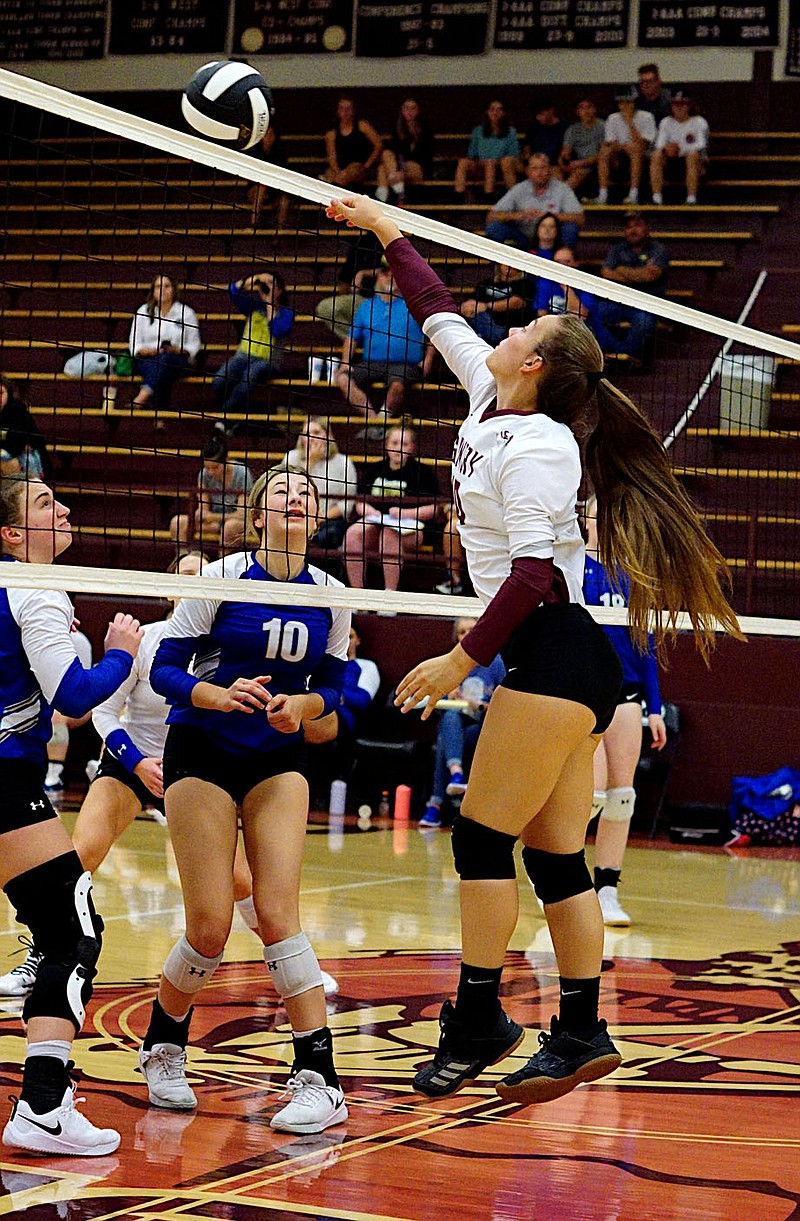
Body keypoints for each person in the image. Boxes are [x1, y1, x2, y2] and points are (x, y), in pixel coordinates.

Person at [325, 191, 741, 1108]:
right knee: (557, 857)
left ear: (540, 360)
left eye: (526, 325)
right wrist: (388, 230)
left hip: (553, 651)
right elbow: (438, 313)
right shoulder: (490, 392)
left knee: (479, 834)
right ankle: (584, 1028)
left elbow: (533, 578)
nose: (506, 326)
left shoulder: (545, 442)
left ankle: (478, 1019)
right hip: (557, 662)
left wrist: (461, 659)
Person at [139, 467, 350, 1134]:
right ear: (259, 514)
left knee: (279, 910)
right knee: (209, 925)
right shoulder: (224, 576)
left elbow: (338, 685)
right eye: (282, 490)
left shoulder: (334, 594)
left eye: (307, 494)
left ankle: (320, 1078)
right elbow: (164, 668)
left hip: (276, 753)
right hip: (201, 745)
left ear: (316, 519)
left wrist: (304, 705)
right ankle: (163, 1045)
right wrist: (218, 694)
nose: (296, 497)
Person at [0, 472, 142, 1155]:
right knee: (70, 931)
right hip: (2, 781)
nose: (64, 506)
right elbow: (73, 698)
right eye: (44, 503)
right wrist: (121, 651)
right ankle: (44, 1106)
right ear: (13, 534)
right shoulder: (35, 587)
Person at [71, 553, 207, 875]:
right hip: (132, 761)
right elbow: (103, 712)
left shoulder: (223, 647)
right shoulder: (145, 639)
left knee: (235, 880)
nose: (195, 579)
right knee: (81, 855)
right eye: (186, 572)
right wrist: (137, 763)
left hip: (194, 770)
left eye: (204, 574)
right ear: (167, 587)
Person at [582, 498, 666, 927]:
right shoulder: (570, 566)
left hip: (627, 696)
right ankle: (563, 881)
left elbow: (647, 647)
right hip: (582, 692)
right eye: (604, 513)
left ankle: (607, 890)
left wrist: (656, 706)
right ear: (587, 518)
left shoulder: (635, 577)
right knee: (589, 794)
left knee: (621, 796)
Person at [419, 618, 505, 829]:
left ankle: (435, 804)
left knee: (444, 741)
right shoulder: (452, 665)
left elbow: (508, 707)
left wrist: (480, 706)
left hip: (487, 728)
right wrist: (449, 696)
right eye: (462, 632)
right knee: (449, 719)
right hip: (458, 728)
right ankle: (456, 773)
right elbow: (436, 704)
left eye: (471, 630)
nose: (467, 636)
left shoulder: (497, 663)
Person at [336, 259, 433, 432]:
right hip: (372, 363)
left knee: (397, 385)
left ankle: (381, 421)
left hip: (405, 364)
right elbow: (352, 338)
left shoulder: (414, 304)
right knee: (343, 379)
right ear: (378, 277)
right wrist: (345, 362)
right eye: (385, 274)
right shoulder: (367, 306)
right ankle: (375, 422)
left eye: (393, 274)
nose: (389, 278)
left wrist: (428, 360)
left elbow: (433, 335)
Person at [343, 424, 439, 592]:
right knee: (353, 534)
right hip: (376, 523)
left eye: (404, 444)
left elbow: (435, 508)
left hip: (411, 530)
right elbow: (360, 502)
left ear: (412, 448)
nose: (398, 448)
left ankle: (390, 596)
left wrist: (406, 513)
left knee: (389, 535)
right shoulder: (374, 469)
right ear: (387, 445)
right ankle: (357, 594)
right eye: (394, 443)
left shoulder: (423, 473)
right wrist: (370, 512)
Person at [304, 620, 381, 782]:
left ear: (358, 641)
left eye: (350, 637)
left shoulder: (366, 666)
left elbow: (362, 700)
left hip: (343, 717)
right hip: (313, 706)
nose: (346, 641)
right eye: (342, 636)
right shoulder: (321, 664)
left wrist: (334, 693)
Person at [212, 269, 294, 419]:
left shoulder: (286, 313)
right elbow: (233, 292)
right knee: (219, 380)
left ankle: (223, 418)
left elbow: (277, 331)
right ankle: (234, 414)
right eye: (265, 283)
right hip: (243, 356)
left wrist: (270, 305)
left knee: (248, 377)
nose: (266, 286)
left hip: (268, 361)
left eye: (271, 283)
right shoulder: (253, 306)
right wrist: (253, 279)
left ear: (280, 290)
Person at [591, 211, 669, 363]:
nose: (633, 230)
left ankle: (622, 355)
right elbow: (606, 273)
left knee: (644, 321)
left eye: (637, 226)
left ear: (647, 228)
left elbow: (652, 275)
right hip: (619, 302)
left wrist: (621, 270)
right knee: (591, 312)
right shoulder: (617, 249)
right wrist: (639, 275)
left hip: (648, 304)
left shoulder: (658, 249)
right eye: (628, 227)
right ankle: (617, 351)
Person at [284, 416, 358, 550]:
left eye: (316, 433)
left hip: (329, 520)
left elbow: (346, 504)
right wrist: (310, 462)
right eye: (306, 434)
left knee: (330, 534)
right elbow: (289, 490)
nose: (310, 438)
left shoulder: (343, 462)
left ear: (328, 436)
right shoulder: (291, 458)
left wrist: (318, 518)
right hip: (295, 514)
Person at [170, 436, 254, 554]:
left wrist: (212, 517)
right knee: (178, 522)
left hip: (236, 522)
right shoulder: (204, 475)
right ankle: (183, 561)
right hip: (214, 523)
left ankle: (222, 568)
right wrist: (201, 515)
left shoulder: (242, 473)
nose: (210, 472)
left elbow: (241, 514)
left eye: (215, 467)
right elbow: (204, 509)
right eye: (207, 467)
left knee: (229, 527)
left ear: (226, 460)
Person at [129, 275, 202, 411]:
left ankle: (143, 395)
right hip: (148, 359)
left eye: (167, 286)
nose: (162, 290)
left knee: (166, 359)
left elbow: (194, 345)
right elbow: (134, 344)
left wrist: (177, 350)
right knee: (162, 369)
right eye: (158, 287)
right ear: (153, 291)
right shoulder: (143, 311)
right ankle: (160, 416)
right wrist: (150, 351)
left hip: (177, 359)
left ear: (174, 289)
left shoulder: (186, 313)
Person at [486, 154, 584, 252]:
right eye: (534, 168)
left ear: (550, 170)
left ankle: (561, 262)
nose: (539, 172)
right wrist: (519, 215)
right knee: (494, 228)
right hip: (524, 237)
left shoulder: (562, 189)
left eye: (543, 168)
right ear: (527, 171)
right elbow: (491, 217)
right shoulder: (519, 189)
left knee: (570, 229)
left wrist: (548, 216)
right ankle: (503, 265)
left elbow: (579, 218)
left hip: (553, 240)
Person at [595, 87, 657, 206]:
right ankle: (602, 195)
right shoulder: (613, 118)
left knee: (635, 149)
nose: (625, 106)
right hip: (618, 158)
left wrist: (629, 122)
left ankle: (633, 195)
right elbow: (611, 144)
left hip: (643, 158)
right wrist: (624, 147)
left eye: (628, 102)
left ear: (634, 102)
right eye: (621, 102)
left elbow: (643, 145)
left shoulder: (647, 117)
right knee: (604, 151)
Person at [650, 88, 709, 206]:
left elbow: (700, 145)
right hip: (671, 163)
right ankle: (656, 198)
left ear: (689, 105)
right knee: (656, 155)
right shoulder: (666, 122)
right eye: (675, 104)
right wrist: (666, 148)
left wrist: (679, 149)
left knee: (692, 155)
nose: (679, 107)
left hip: (694, 163)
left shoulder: (699, 122)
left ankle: (691, 199)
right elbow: (660, 144)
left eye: (683, 104)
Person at [454, 100, 520, 202]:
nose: (495, 113)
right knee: (463, 162)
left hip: (500, 167)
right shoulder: (478, 131)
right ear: (487, 112)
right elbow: (472, 153)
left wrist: (494, 162)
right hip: (480, 165)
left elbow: (513, 154)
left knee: (490, 164)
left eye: (499, 110)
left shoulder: (510, 132)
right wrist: (479, 161)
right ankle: (458, 198)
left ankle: (488, 198)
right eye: (492, 109)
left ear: (504, 113)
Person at [459, 261, 535, 346]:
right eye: (505, 262)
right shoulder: (486, 283)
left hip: (506, 327)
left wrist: (486, 306)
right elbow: (471, 302)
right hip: (483, 320)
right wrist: (468, 308)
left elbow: (517, 302)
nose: (508, 266)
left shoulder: (524, 283)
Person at [376, 98, 434, 205]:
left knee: (383, 170)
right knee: (384, 160)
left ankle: (389, 196)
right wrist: (398, 169)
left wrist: (402, 170)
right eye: (406, 108)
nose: (409, 112)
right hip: (398, 167)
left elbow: (425, 156)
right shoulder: (396, 129)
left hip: (419, 168)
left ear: (418, 111)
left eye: (413, 108)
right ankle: (397, 192)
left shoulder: (426, 129)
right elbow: (394, 151)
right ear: (402, 111)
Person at [320, 96, 383, 190]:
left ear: (353, 110)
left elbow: (378, 145)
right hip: (339, 168)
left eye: (348, 109)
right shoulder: (332, 133)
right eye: (342, 109)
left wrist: (367, 165)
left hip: (358, 166)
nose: (345, 112)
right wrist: (338, 172)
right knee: (330, 174)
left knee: (352, 170)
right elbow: (331, 156)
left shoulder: (362, 126)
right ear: (338, 111)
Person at [0, 374, 51, 480]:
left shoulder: (18, 411)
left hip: (28, 459)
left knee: (7, 458)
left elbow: (16, 446)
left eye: (1, 393)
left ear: (8, 393)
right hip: (10, 454)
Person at [558, 98, 605, 197]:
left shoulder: (603, 126)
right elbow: (565, 153)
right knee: (555, 172)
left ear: (594, 109)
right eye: (582, 108)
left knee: (578, 172)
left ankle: (556, 201)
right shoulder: (573, 129)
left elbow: (604, 154)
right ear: (577, 112)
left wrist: (582, 163)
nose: (586, 111)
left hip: (599, 164)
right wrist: (563, 164)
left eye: (589, 107)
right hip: (578, 163)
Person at [247, 125, 291, 229]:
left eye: (271, 135)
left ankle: (279, 232)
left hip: (274, 190)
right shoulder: (255, 153)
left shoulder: (279, 155)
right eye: (266, 135)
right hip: (255, 189)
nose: (269, 137)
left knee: (285, 200)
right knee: (261, 188)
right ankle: (254, 223)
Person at [535, 246, 595, 320]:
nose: (562, 266)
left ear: (576, 263)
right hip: (555, 327)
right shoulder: (545, 282)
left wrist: (565, 285)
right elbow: (541, 314)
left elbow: (581, 314)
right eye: (557, 262)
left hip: (583, 328)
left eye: (567, 262)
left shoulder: (585, 284)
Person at [522, 96, 568, 168]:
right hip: (535, 163)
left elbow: (565, 151)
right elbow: (527, 147)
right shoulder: (533, 125)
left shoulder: (564, 127)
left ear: (551, 111)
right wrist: (528, 157)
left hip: (554, 164)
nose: (538, 117)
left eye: (542, 114)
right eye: (537, 115)